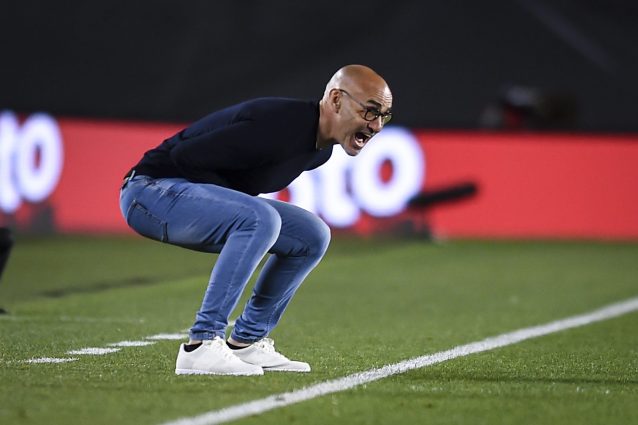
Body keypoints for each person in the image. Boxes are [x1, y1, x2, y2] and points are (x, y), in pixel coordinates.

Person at [120, 64, 393, 376]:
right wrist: (235, 213)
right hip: (148, 192)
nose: (377, 125)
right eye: (370, 111)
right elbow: (186, 157)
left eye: (384, 116)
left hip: (179, 193)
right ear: (335, 100)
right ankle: (202, 343)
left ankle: (246, 342)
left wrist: (233, 211)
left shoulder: (320, 151)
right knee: (261, 219)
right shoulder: (281, 124)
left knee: (312, 234)